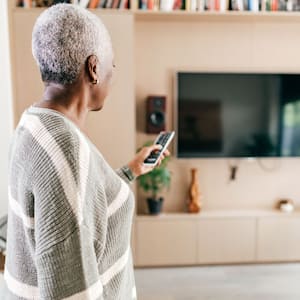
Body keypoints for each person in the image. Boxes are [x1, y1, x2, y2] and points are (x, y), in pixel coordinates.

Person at [4, 4, 169, 300]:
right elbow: (70, 290)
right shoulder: (65, 147)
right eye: (111, 63)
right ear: (93, 68)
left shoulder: (33, 124)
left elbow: (78, 207)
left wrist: (130, 170)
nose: (113, 72)